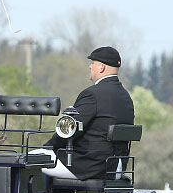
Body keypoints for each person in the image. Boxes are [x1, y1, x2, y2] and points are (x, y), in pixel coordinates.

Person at [39, 46, 134, 180]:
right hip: (117, 167)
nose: (90, 67)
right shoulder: (126, 97)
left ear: (101, 67)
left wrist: (48, 147)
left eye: (93, 63)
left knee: (27, 160)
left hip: (91, 166)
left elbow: (70, 130)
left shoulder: (92, 94)